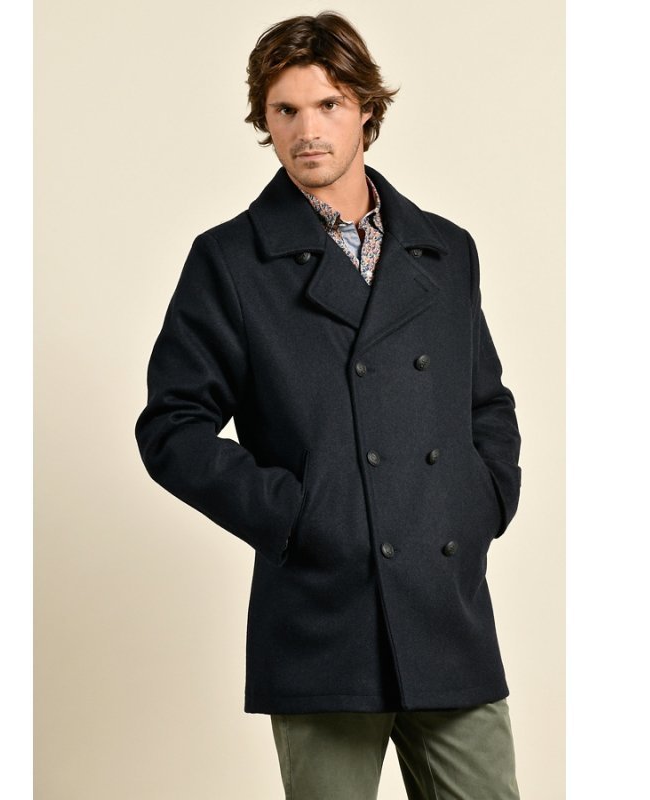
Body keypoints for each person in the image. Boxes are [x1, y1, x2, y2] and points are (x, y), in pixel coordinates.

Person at [135, 11, 523, 800]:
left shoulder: (446, 249)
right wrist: (298, 517)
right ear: (265, 119)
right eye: (286, 110)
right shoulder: (230, 260)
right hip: (324, 613)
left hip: (445, 605)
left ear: (366, 110)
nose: (307, 131)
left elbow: (485, 399)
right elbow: (172, 425)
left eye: (328, 105)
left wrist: (482, 499)